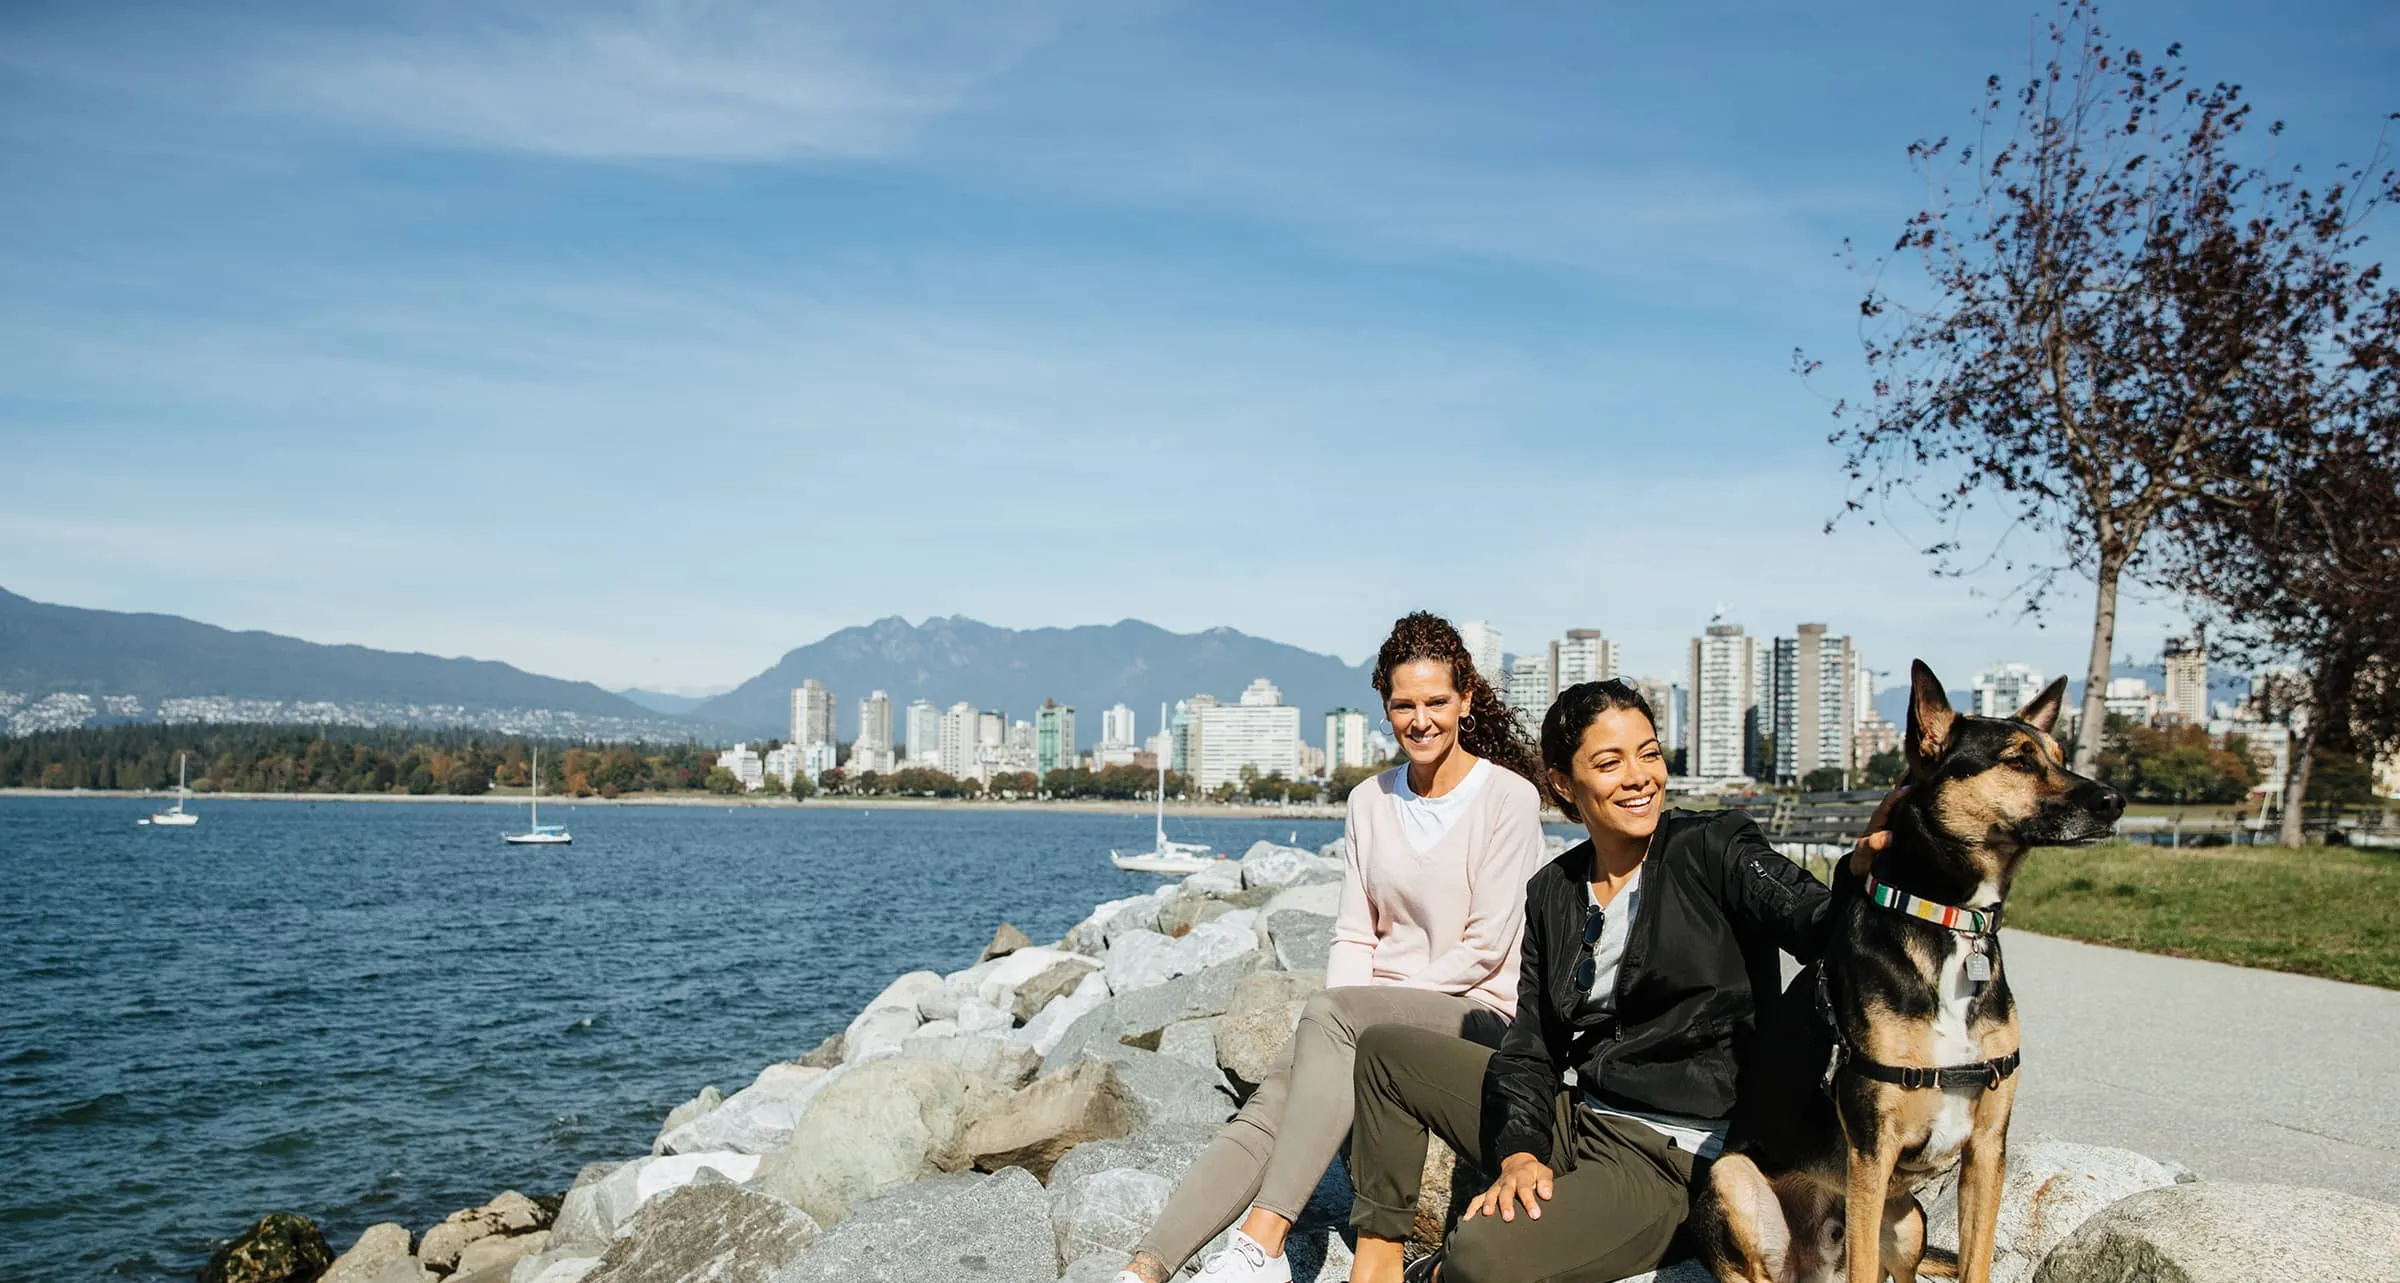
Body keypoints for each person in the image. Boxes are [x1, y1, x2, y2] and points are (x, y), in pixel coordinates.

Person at [1345, 680, 1894, 1283]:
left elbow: (1814, 920)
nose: (1639, 777)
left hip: (1672, 1157)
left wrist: (1862, 880)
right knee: (1385, 1051)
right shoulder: (1553, 891)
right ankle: (1377, 1266)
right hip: (1581, 1114)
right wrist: (1520, 1152)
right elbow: (1531, 1047)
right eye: (1610, 762)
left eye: (1650, 753)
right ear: (1563, 783)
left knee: (1478, 1257)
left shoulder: (1714, 847)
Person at [1116, 612, 1548, 1283]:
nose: (1422, 718)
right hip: (1374, 1011)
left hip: (1477, 1015)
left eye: (1437, 701)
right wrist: (1344, 1010)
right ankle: (1145, 1266)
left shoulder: (1508, 799)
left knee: (1332, 1023)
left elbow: (1487, 946)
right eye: (1404, 704)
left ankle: (1262, 1242)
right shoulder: (1369, 801)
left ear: (1466, 699)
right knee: (1273, 1099)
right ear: (1385, 707)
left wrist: (1357, 1014)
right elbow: (1354, 931)